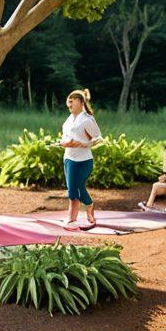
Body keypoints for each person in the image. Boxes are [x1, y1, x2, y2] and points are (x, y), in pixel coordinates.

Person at [60, 89, 102, 230]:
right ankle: (72, 219)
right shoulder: (69, 119)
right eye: (68, 101)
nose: (69, 104)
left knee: (75, 189)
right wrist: (64, 143)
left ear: (81, 102)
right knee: (72, 190)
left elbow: (98, 137)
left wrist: (83, 144)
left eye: (72, 101)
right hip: (68, 158)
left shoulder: (87, 119)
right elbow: (64, 137)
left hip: (83, 161)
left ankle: (89, 206)